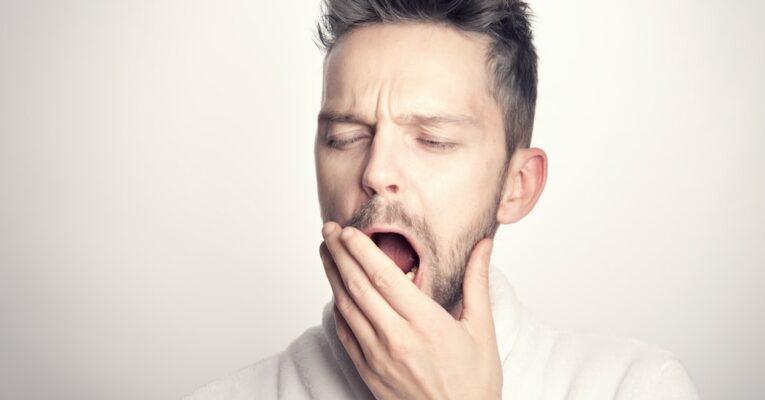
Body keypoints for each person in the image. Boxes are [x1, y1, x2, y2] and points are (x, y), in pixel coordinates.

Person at [186, 0, 698, 399]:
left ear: (515, 186)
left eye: (432, 140)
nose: (377, 172)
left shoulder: (636, 388)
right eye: (345, 137)